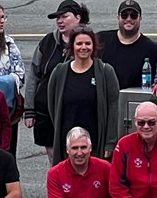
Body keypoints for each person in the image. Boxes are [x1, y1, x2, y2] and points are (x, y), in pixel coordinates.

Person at [45, 27, 120, 165]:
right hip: (66, 143)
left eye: (88, 43)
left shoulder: (105, 72)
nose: (83, 47)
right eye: (79, 44)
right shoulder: (59, 72)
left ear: (94, 46)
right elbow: (52, 106)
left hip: (96, 143)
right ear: (72, 46)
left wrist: (110, 143)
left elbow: (114, 108)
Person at [26, 0, 87, 158]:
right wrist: (30, 110)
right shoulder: (47, 42)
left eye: (64, 17)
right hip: (46, 112)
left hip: (75, 112)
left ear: (78, 17)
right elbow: (33, 75)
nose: (60, 21)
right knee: (54, 162)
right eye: (57, 18)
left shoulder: (87, 42)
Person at [96, 0, 157, 91]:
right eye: (124, 15)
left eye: (133, 16)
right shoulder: (101, 39)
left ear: (140, 18)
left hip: (132, 100)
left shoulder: (151, 49)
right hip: (104, 97)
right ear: (118, 17)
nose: (129, 19)